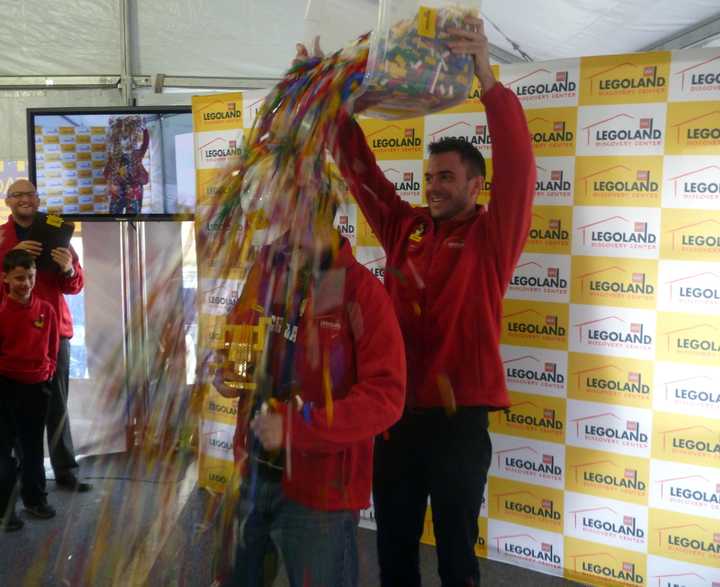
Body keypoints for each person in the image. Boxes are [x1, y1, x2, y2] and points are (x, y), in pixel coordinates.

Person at [301, 16, 536, 586]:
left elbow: (521, 171)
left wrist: (488, 80)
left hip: (459, 424)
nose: (434, 186)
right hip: (395, 420)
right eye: (430, 177)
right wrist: (328, 101)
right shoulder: (405, 229)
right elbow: (365, 179)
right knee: (395, 548)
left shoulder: (490, 238)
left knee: (456, 551)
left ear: (475, 186)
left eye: (447, 178)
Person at [214, 202, 406, 586]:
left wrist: (296, 427)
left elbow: (386, 396)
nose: (277, 213)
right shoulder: (267, 269)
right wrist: (227, 369)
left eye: (290, 199)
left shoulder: (359, 290)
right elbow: (239, 334)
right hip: (250, 473)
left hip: (320, 496)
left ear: (318, 206)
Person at [0, 179, 91, 492]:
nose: (25, 199)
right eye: (18, 195)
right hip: (10, 333)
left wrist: (68, 269)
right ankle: (19, 477)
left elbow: (76, 286)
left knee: (57, 405)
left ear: (38, 200)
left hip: (53, 333)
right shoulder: (1, 236)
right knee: (11, 410)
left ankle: (65, 470)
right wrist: (10, 256)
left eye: (31, 194)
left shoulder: (58, 232)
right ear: (8, 201)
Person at [0, 249, 60, 531]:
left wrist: (46, 374)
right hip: (5, 388)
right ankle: (5, 510)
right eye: (19, 278)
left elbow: (52, 349)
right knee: (4, 451)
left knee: (33, 447)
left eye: (31, 277)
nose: (25, 283)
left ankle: (35, 499)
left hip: (37, 388)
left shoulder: (46, 310)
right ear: (6, 278)